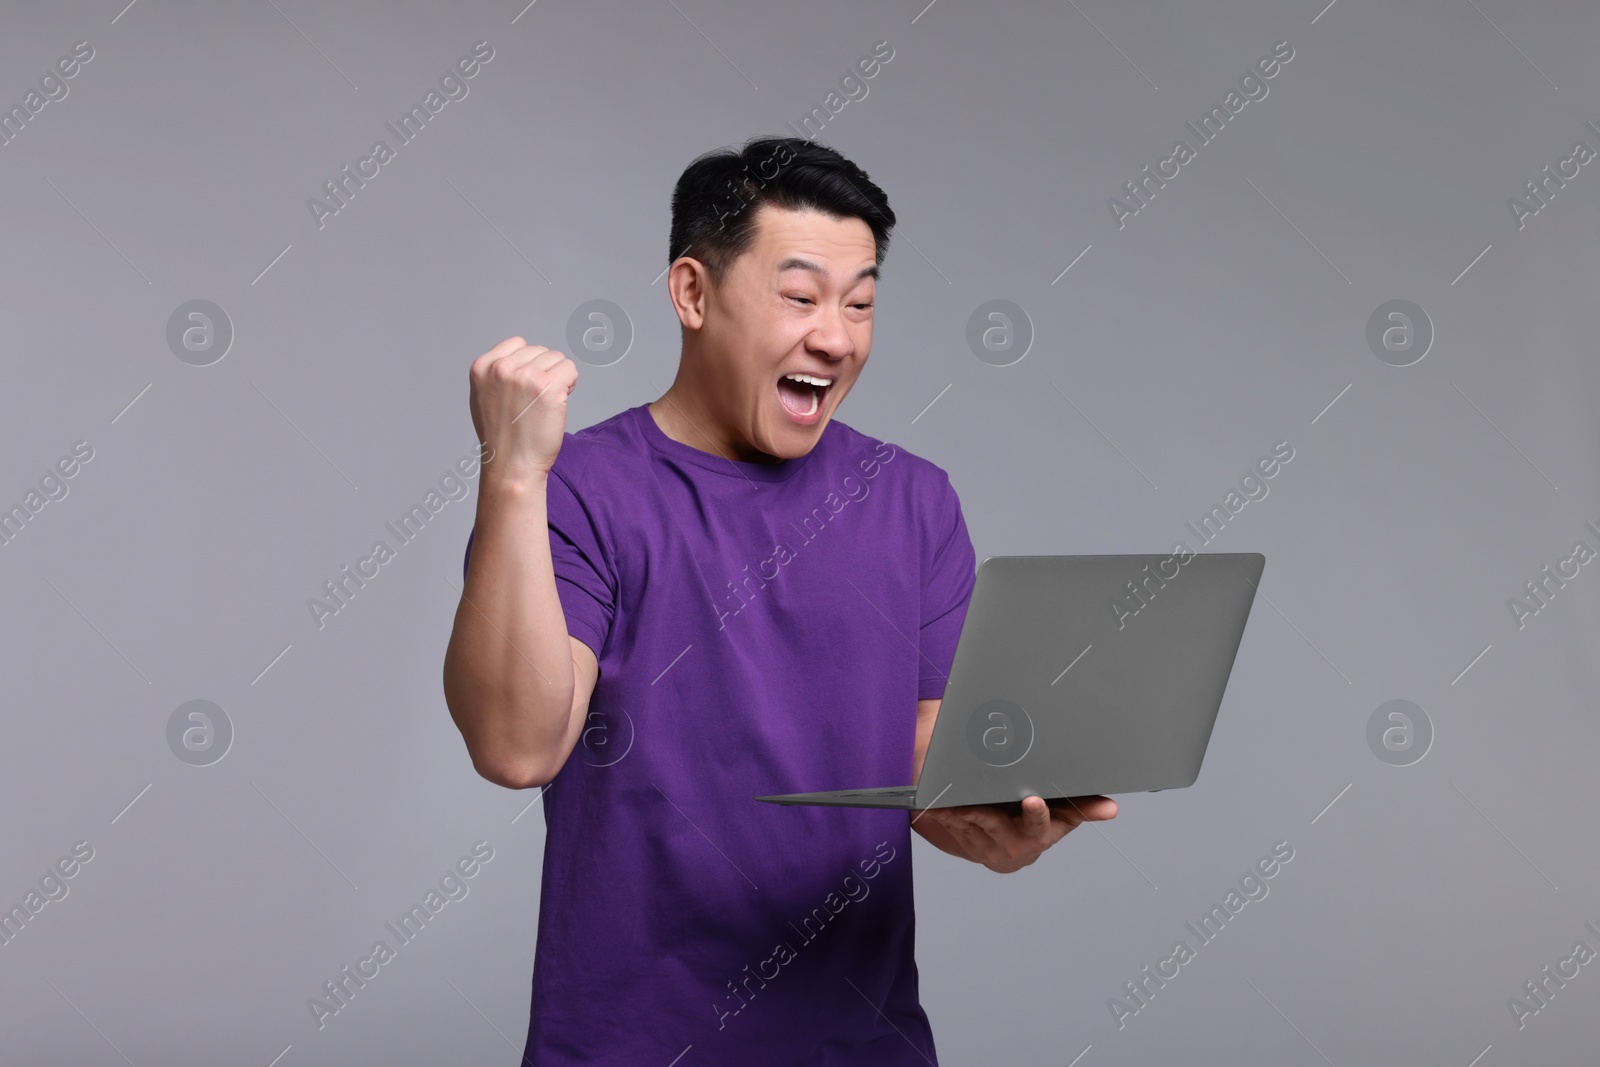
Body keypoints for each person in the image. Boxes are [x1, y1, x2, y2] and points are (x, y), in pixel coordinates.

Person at [441, 135, 1118, 1066]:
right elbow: (519, 744)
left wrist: (990, 819)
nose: (835, 336)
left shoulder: (913, 498)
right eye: (799, 297)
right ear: (692, 293)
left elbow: (923, 746)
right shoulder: (581, 487)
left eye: (861, 303)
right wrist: (513, 480)